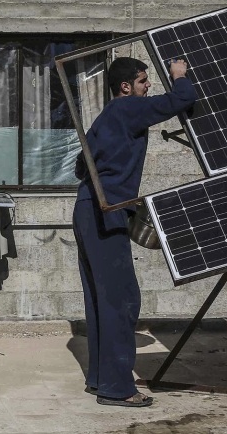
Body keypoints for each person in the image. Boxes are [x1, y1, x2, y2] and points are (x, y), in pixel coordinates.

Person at [72, 56, 197, 407]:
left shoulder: (104, 119)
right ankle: (117, 388)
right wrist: (179, 75)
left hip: (87, 207)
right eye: (144, 81)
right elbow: (179, 101)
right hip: (105, 210)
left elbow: (80, 165)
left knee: (101, 299)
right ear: (126, 86)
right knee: (123, 299)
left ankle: (102, 379)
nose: (148, 86)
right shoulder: (127, 108)